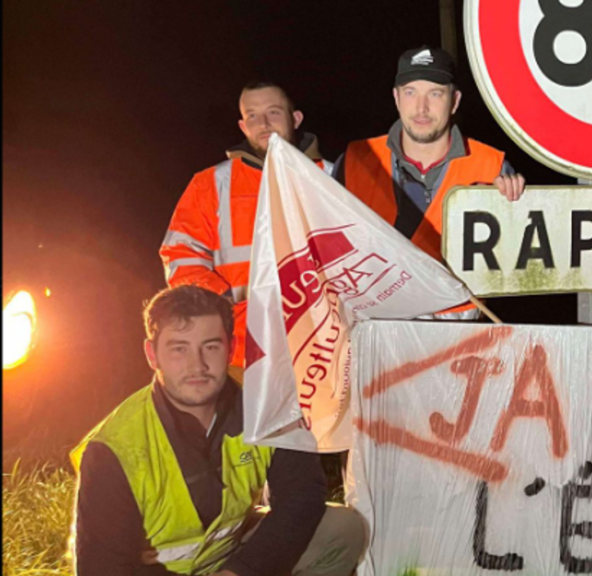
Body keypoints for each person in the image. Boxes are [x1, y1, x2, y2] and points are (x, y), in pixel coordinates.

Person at [69, 285, 368, 576]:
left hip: (226, 556)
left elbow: (302, 497)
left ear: (231, 348)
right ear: (152, 354)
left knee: (341, 530)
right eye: (179, 349)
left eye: (210, 346)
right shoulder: (114, 450)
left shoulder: (267, 403)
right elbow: (101, 568)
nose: (196, 365)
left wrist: (241, 571)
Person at [332, 46, 525, 319]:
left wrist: (515, 208)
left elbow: (517, 268)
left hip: (458, 336)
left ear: (454, 101)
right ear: (396, 98)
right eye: (411, 92)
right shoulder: (355, 161)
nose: (421, 108)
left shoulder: (493, 166)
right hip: (374, 329)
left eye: (435, 93)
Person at [160, 82, 334, 372]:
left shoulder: (333, 177)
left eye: (273, 112)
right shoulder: (210, 184)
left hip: (327, 354)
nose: (263, 124)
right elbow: (180, 257)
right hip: (242, 356)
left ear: (296, 119)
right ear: (242, 125)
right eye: (252, 116)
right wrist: (228, 309)